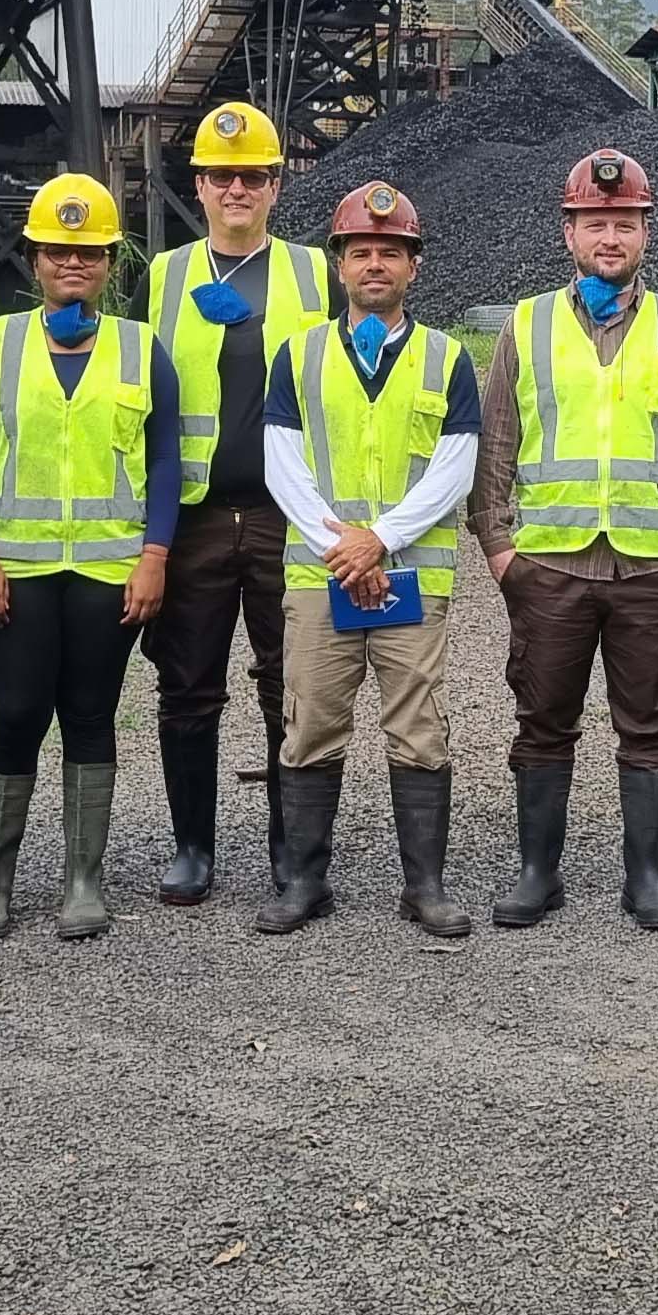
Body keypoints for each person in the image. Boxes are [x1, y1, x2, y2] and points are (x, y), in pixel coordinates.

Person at [470, 148, 658, 932]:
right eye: (595, 223)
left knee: (650, 723)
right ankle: (536, 873)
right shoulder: (528, 324)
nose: (609, 236)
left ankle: (646, 878)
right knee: (543, 718)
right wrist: (499, 550)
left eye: (624, 223)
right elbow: (497, 443)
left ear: (644, 233)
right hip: (548, 565)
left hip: (652, 568)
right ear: (570, 233)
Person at [0, 173, 180, 942]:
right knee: (15, 715)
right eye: (57, 251)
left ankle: (84, 881)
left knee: (89, 716)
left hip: (109, 570)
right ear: (37, 259)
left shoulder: (141, 349)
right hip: (16, 568)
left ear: (110, 261)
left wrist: (154, 556)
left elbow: (166, 462)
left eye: (88, 252)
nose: (72, 263)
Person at [252, 182, 482, 937]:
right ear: (339, 265)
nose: (375, 263)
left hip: (409, 576)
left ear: (413, 266)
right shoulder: (299, 356)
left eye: (390, 251)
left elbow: (455, 468)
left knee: (419, 727)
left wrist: (376, 540)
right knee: (311, 723)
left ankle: (426, 887)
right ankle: (303, 882)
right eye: (361, 252)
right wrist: (343, 549)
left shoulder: (447, 360)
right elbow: (283, 464)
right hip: (322, 578)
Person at [142, 101, 332, 905]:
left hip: (282, 515)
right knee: (188, 683)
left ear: (276, 186)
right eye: (221, 177)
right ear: (200, 184)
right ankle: (193, 846)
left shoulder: (315, 273)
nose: (236, 190)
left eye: (252, 176)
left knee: (289, 681)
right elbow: (145, 399)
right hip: (193, 515)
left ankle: (292, 850)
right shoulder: (167, 274)